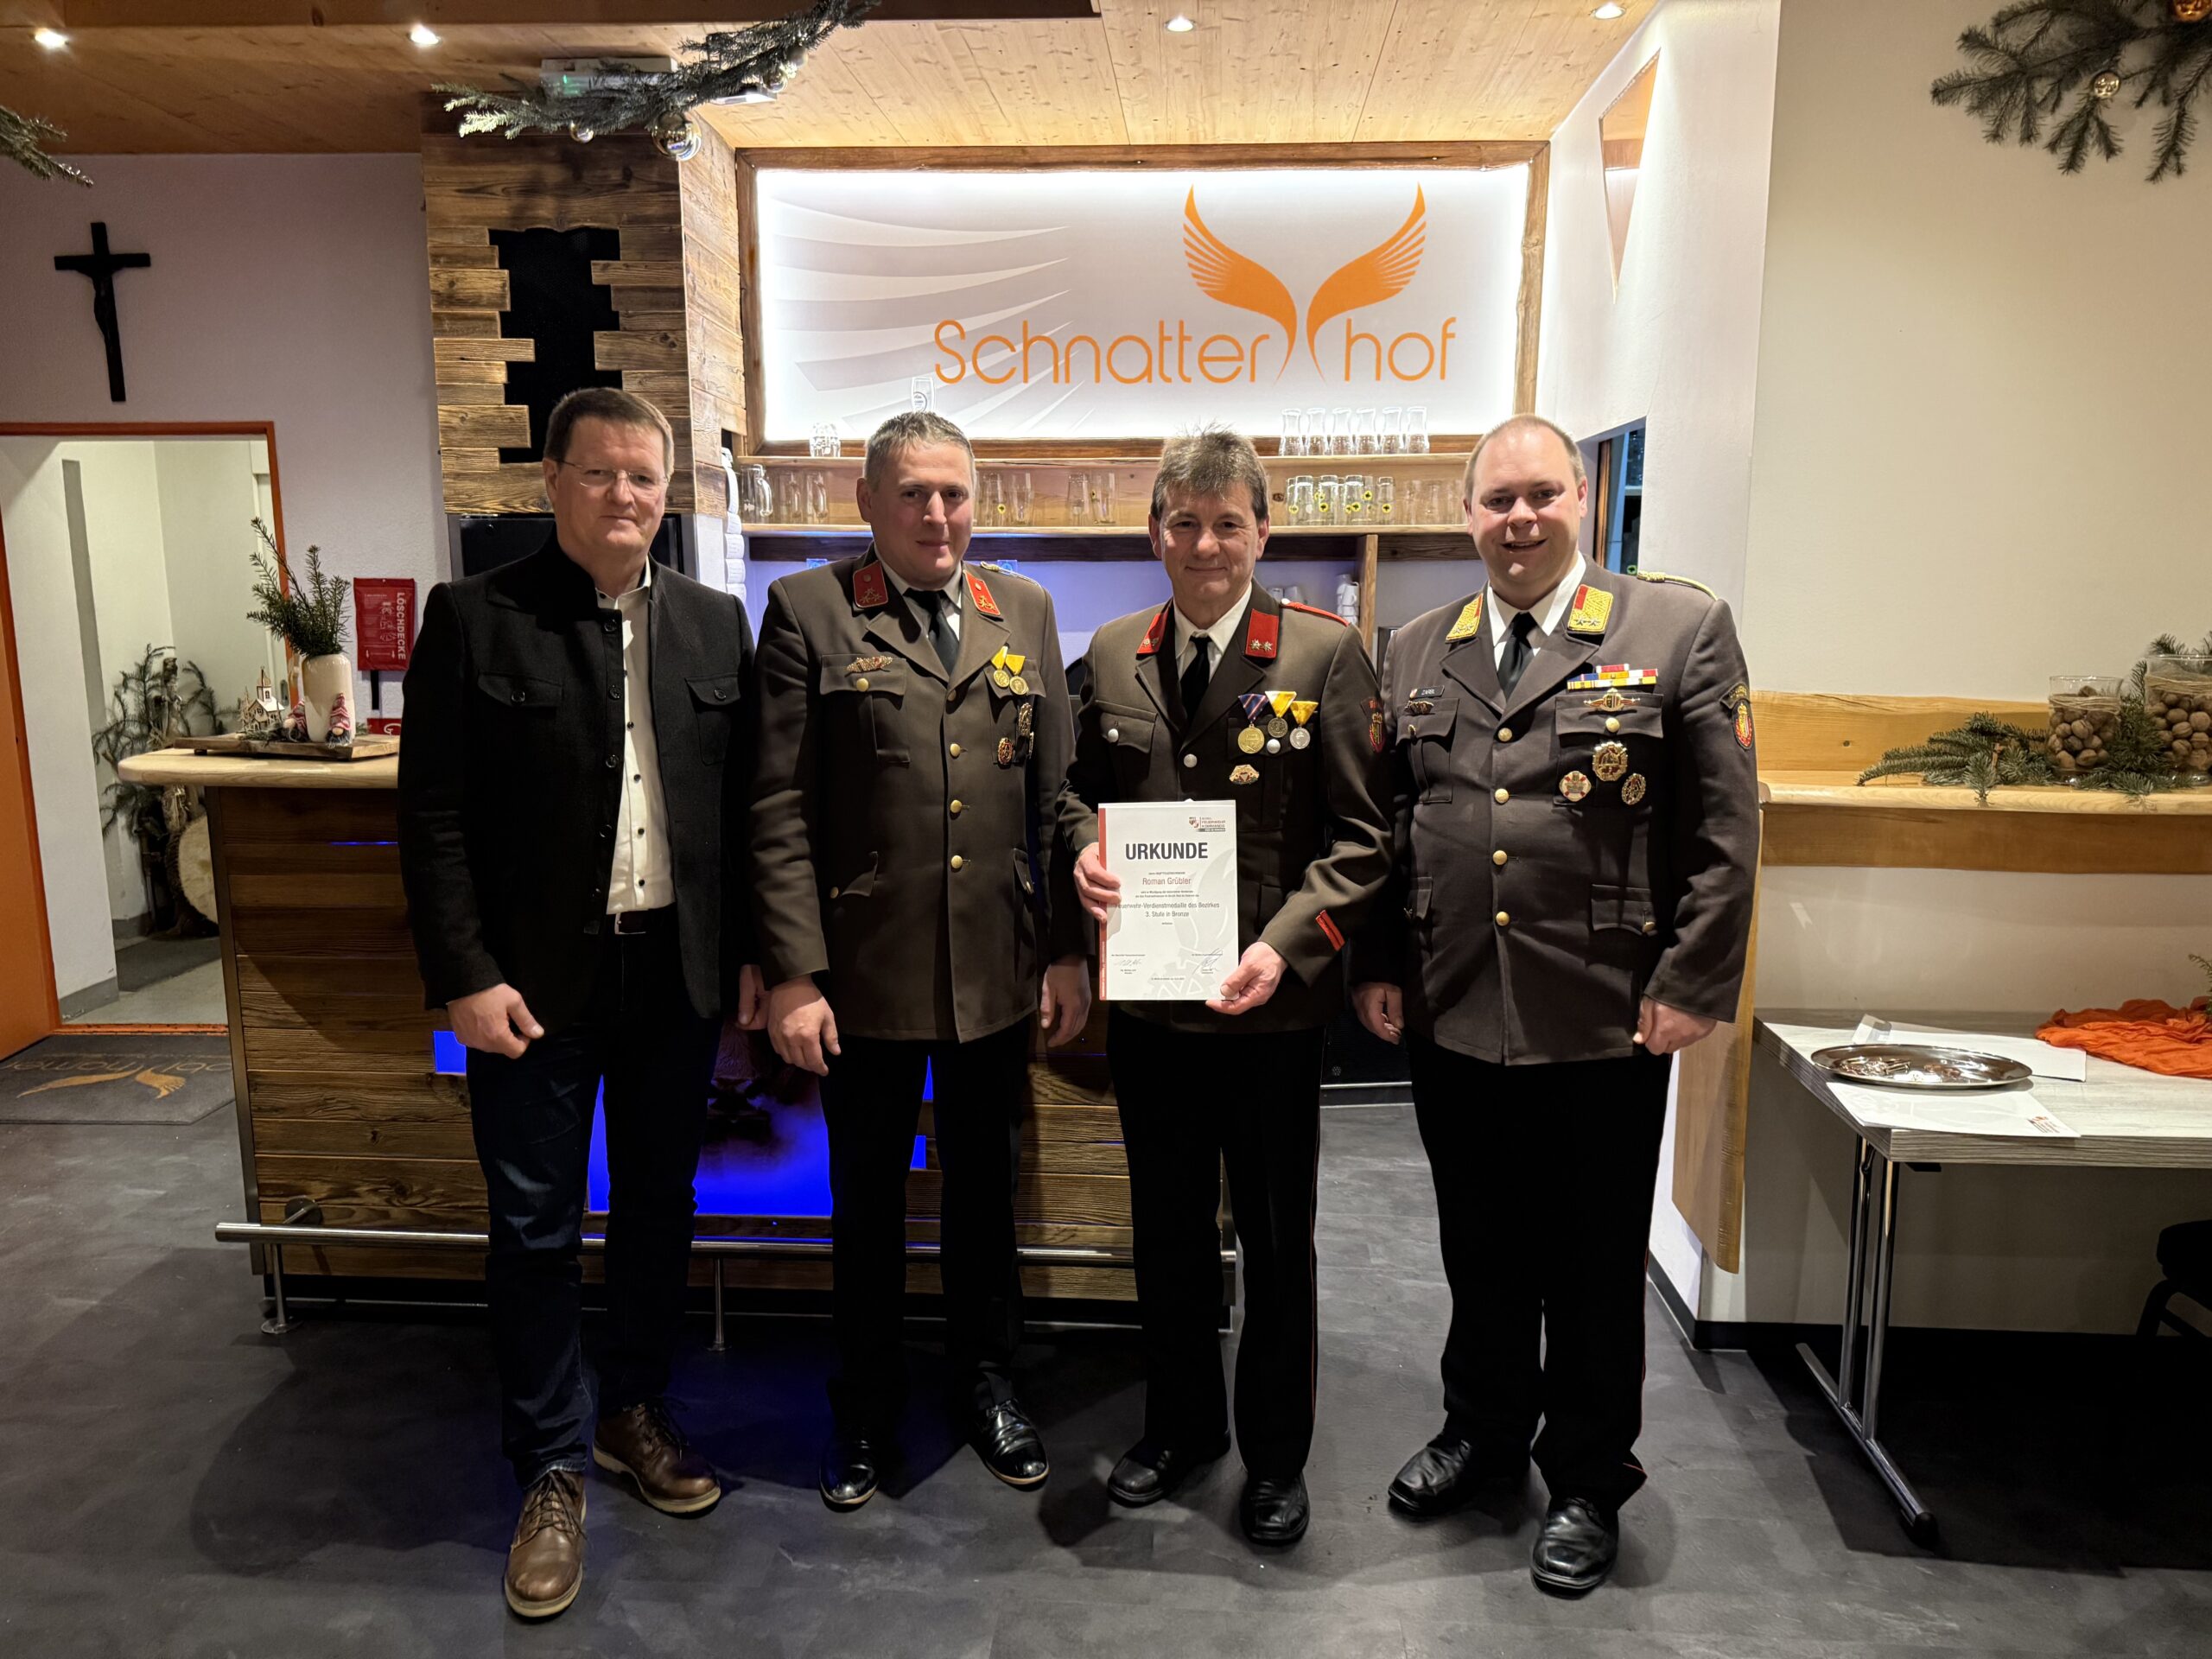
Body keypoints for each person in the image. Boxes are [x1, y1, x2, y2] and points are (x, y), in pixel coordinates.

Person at [1351, 414, 1758, 1594]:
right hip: (1453, 1003)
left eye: (1540, 495)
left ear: (1580, 496)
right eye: (1497, 500)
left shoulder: (1674, 629)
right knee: (1477, 1246)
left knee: (1590, 1262)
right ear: (1466, 514)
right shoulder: (1415, 647)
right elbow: (1391, 823)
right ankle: (1480, 1432)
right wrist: (1379, 962)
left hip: (1604, 1011)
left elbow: (1727, 827)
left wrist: (1690, 982)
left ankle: (1586, 1474)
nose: (1519, 519)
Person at [397, 386, 763, 1618]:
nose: (624, 496)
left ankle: (631, 1412)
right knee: (536, 1229)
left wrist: (752, 956)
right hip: (529, 990)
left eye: (644, 476)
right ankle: (549, 1466)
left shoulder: (715, 623)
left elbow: (743, 814)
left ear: (669, 491)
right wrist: (464, 975)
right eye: (600, 472)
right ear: (551, 480)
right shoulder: (475, 617)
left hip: (675, 975)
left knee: (661, 1207)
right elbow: (433, 818)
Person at [748, 411, 1092, 1512]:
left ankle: (988, 1383)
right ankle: (863, 1405)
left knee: (986, 1197)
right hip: (865, 976)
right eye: (914, 494)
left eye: (954, 494)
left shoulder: (1022, 608)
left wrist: (1067, 952)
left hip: (998, 968)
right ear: (867, 503)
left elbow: (1054, 796)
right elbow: (776, 808)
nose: (937, 515)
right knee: (866, 1205)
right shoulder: (807, 610)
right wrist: (793, 972)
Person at [1063, 426, 1390, 1547]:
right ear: (1155, 531)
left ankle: (1276, 1457)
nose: (1206, 544)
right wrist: (1081, 850)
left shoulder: (1322, 655)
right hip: (1152, 1010)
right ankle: (1181, 1427)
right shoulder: (1113, 652)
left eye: (1227, 524)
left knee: (1275, 1240)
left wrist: (1288, 946)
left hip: (1271, 1013)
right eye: (1185, 523)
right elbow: (1072, 795)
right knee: (1165, 1236)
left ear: (1264, 531)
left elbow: (1363, 839)